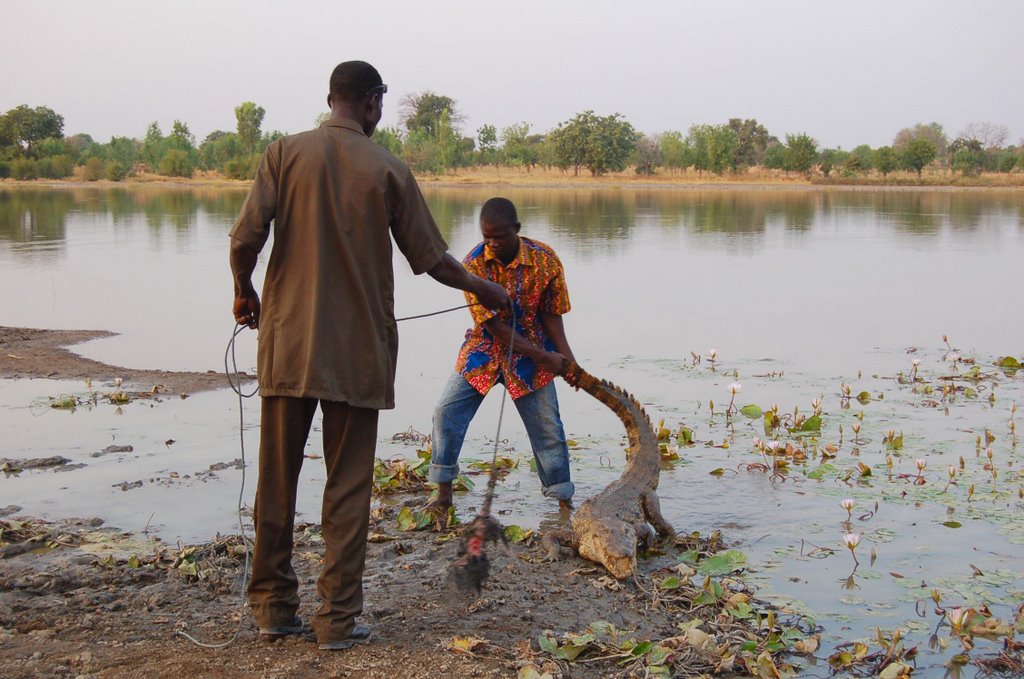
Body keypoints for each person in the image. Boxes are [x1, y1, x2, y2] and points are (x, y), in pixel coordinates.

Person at [229, 61, 510, 651]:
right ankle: (335, 621)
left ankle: (274, 609)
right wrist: (487, 289)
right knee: (349, 487)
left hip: (287, 347)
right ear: (373, 103)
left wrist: (244, 290)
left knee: (276, 483)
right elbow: (434, 262)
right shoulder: (387, 168)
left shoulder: (283, 153)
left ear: (332, 99)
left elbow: (244, 238)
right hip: (357, 353)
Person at [425, 197, 577, 516]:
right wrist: (544, 356)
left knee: (548, 429)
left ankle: (563, 504)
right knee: (445, 414)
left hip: (531, 359)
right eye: (486, 237)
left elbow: (552, 316)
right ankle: (443, 494)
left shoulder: (545, 260)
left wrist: (566, 358)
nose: (492, 244)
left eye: (499, 236)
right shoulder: (472, 265)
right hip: (483, 352)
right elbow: (492, 325)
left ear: (517, 230)